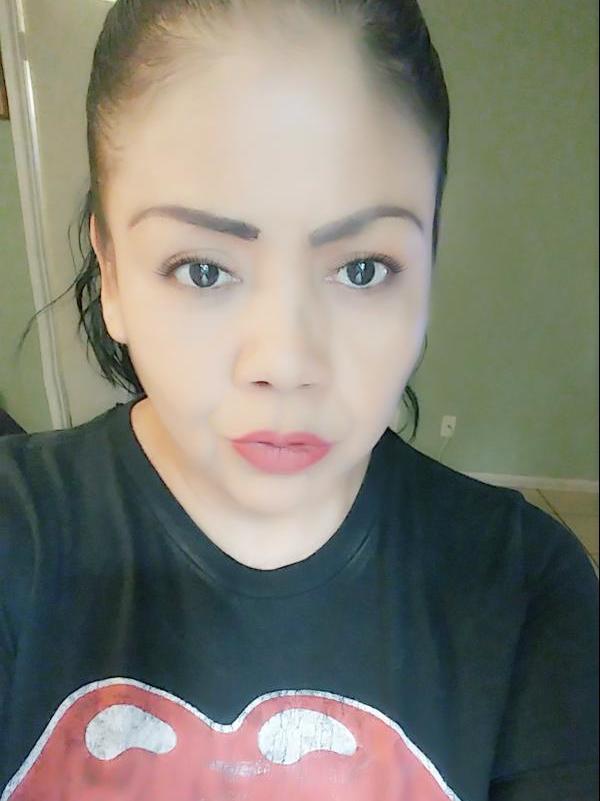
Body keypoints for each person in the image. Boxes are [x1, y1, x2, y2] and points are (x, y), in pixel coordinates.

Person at [0, 0, 597, 798]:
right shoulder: (15, 539)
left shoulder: (529, 592)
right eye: (203, 269)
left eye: (361, 269)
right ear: (110, 273)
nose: (284, 362)